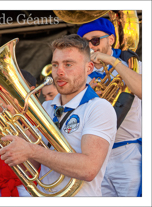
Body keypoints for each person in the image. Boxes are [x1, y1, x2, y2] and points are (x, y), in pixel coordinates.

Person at [0, 34, 117, 196]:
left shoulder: (99, 108)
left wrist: (32, 150)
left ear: (89, 68)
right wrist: (11, 129)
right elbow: (33, 164)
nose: (59, 71)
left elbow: (88, 168)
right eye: (55, 65)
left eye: (68, 64)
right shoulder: (47, 106)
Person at [77, 17, 142, 197]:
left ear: (111, 39)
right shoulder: (82, 74)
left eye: (95, 40)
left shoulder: (133, 66)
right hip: (95, 156)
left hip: (126, 152)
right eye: (84, 43)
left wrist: (111, 61)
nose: (90, 46)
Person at [0, 70, 37, 197]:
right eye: (0, 90)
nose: (2, 95)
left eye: (9, 89)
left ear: (31, 90)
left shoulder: (37, 120)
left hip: (26, 189)